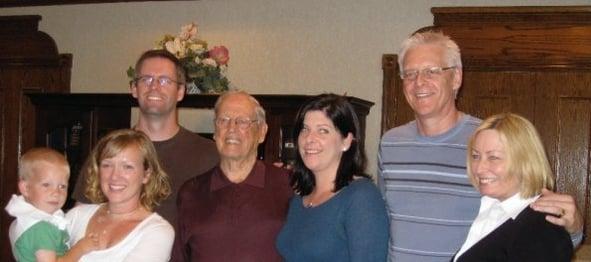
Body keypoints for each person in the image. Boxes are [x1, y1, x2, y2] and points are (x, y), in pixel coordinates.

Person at [377, 30, 584, 261]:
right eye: (410, 73)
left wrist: (574, 228)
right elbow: (384, 221)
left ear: (456, 77)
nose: (419, 82)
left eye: (432, 71)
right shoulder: (391, 143)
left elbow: (535, 228)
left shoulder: (489, 142)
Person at [72, 49, 220, 227]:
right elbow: (80, 219)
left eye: (165, 80)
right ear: (134, 88)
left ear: (181, 91)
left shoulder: (209, 154)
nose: (154, 86)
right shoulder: (108, 150)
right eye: (146, 79)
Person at [171, 91, 293, 262]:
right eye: (223, 120)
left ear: (262, 132)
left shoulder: (287, 185)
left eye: (242, 121)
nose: (231, 129)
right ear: (214, 131)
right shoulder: (191, 192)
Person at [276, 93, 389, 261]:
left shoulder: (361, 197)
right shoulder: (299, 198)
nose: (309, 139)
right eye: (305, 129)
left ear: (346, 141)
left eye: (323, 130)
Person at [453, 113, 573, 261]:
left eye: (494, 157)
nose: (479, 168)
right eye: (476, 156)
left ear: (525, 161)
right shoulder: (494, 208)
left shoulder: (542, 228)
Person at [66, 129, 174, 261]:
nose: (115, 176)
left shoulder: (157, 232)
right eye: (107, 165)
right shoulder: (76, 217)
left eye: (127, 167)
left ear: (146, 175)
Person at [5, 148, 98, 262]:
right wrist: (80, 248)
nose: (56, 193)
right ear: (25, 188)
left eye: (62, 186)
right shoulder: (41, 229)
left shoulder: (24, 219)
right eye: (46, 185)